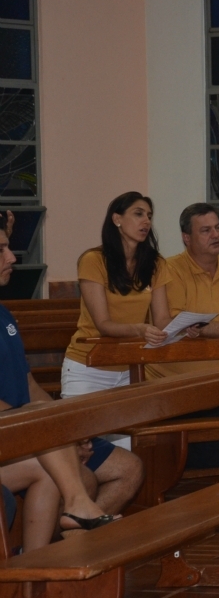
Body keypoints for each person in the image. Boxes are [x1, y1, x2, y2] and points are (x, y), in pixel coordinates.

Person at [0, 212, 117, 550]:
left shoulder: (4, 315)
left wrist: (65, 431)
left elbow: (31, 385)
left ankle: (35, 572)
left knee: (64, 466)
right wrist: (41, 429)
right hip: (12, 433)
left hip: (16, 433)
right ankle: (36, 567)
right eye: (3, 249)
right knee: (53, 467)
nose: (12, 257)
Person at [60, 192, 171, 484]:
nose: (146, 220)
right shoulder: (93, 260)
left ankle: (107, 521)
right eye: (138, 213)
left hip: (128, 370)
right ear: (117, 219)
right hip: (89, 368)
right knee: (79, 456)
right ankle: (75, 517)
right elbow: (103, 324)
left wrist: (189, 326)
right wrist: (139, 329)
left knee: (123, 458)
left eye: (149, 215)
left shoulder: (155, 263)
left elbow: (161, 320)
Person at [146, 203, 219, 469]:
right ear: (186, 238)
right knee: (176, 467)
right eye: (205, 230)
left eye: (218, 228)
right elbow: (174, 320)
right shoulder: (169, 269)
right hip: (176, 390)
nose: (216, 235)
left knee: (215, 465)